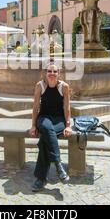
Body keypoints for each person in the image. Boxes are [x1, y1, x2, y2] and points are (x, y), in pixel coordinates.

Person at [29, 62, 72, 192]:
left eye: (54, 71)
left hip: (59, 120)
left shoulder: (64, 87)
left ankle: (41, 179)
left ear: (59, 73)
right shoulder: (40, 86)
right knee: (47, 129)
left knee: (44, 141)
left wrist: (68, 125)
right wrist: (33, 125)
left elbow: (67, 107)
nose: (52, 74)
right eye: (49, 71)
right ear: (45, 73)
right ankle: (58, 165)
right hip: (44, 118)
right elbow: (36, 107)